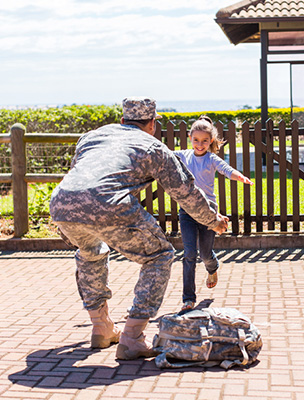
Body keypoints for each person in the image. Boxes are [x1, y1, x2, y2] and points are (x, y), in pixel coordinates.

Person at [49, 97, 229, 360]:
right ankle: (132, 338)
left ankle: (101, 328)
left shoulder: (92, 136)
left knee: (91, 251)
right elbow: (185, 193)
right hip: (108, 202)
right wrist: (213, 220)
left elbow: (81, 173)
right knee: (159, 256)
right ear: (153, 124)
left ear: (122, 121)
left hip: (62, 203)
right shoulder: (154, 147)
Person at [174, 116, 253, 312]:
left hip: (209, 214)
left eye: (205, 141)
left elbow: (227, 170)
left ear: (211, 141)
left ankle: (213, 268)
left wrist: (240, 177)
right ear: (190, 138)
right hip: (187, 212)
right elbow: (162, 155)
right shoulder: (183, 155)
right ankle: (188, 299)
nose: (200, 144)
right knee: (189, 254)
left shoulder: (211, 159)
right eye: (196, 140)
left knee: (205, 254)